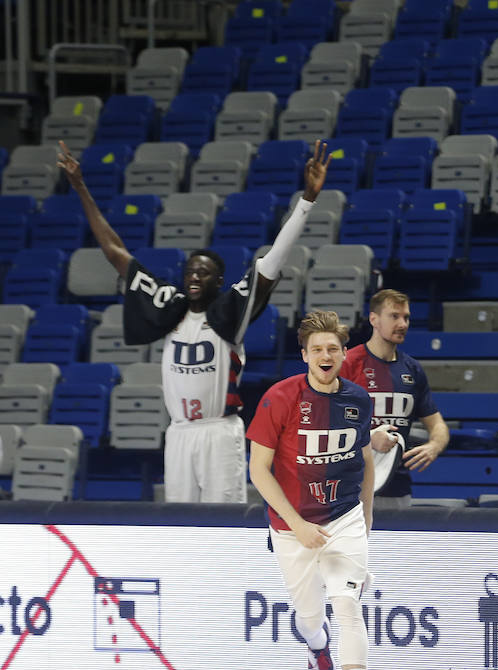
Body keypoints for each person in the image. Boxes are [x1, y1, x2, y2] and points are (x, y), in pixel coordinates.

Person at [58, 139, 330, 503]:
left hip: (219, 432)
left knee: (224, 526)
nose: (194, 277)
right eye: (190, 271)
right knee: (180, 525)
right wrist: (80, 187)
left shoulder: (229, 313)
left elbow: (271, 262)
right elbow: (115, 252)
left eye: (204, 273)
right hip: (179, 433)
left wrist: (307, 202)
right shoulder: (169, 307)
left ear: (219, 281)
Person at [247, 310, 375, 670]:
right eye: (317, 349)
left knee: (347, 603)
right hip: (291, 524)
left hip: (343, 517)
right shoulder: (279, 398)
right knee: (309, 615)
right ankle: (317, 646)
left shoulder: (359, 400)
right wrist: (297, 524)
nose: (326, 355)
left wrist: (367, 514)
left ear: (343, 354)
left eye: (333, 349)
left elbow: (366, 458)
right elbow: (258, 470)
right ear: (304, 355)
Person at [340, 289, 450, 508]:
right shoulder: (347, 364)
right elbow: (323, 424)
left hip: (397, 484)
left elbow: (437, 423)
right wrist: (369, 438)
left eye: (406, 317)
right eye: (394, 316)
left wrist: (435, 446)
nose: (403, 324)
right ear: (374, 319)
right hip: (350, 485)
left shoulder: (412, 369)